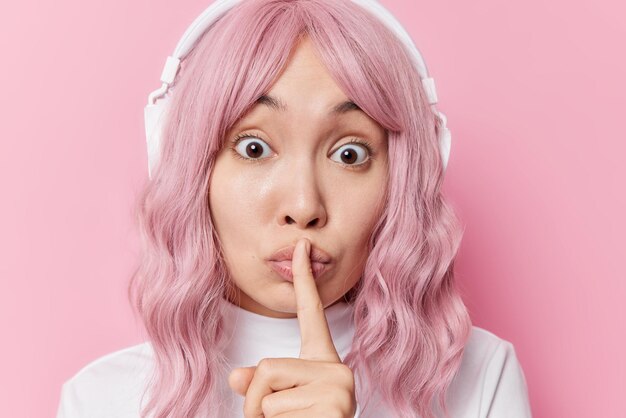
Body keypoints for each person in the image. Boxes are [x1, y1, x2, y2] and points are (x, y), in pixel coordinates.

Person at [56, 0, 532, 417]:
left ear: (401, 185)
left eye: (350, 154)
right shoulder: (100, 400)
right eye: (255, 149)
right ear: (192, 169)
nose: (304, 207)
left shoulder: (481, 379)